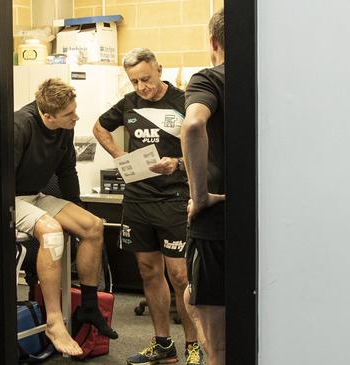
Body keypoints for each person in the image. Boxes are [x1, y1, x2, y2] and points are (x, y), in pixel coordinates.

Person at [93, 48, 203, 365]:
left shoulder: (184, 101)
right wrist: (119, 156)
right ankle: (163, 344)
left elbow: (207, 148)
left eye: (146, 78)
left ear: (159, 69)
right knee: (148, 271)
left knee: (180, 276)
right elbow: (100, 127)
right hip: (138, 199)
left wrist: (178, 164)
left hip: (174, 198)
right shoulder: (128, 104)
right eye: (135, 81)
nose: (142, 86)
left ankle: (193, 346)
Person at [14, 78, 118, 357]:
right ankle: (54, 321)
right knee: (51, 232)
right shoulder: (20, 126)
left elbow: (67, 171)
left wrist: (76, 208)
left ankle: (89, 306)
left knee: (93, 225)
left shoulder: (64, 128)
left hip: (34, 196)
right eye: (69, 114)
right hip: (9, 200)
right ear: (46, 115)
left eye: (75, 109)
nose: (76, 116)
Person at [181, 8, 226, 365]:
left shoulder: (210, 79)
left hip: (218, 221)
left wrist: (200, 196)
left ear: (214, 43)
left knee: (218, 345)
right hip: (267, 218)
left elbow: (194, 126)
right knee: (188, 296)